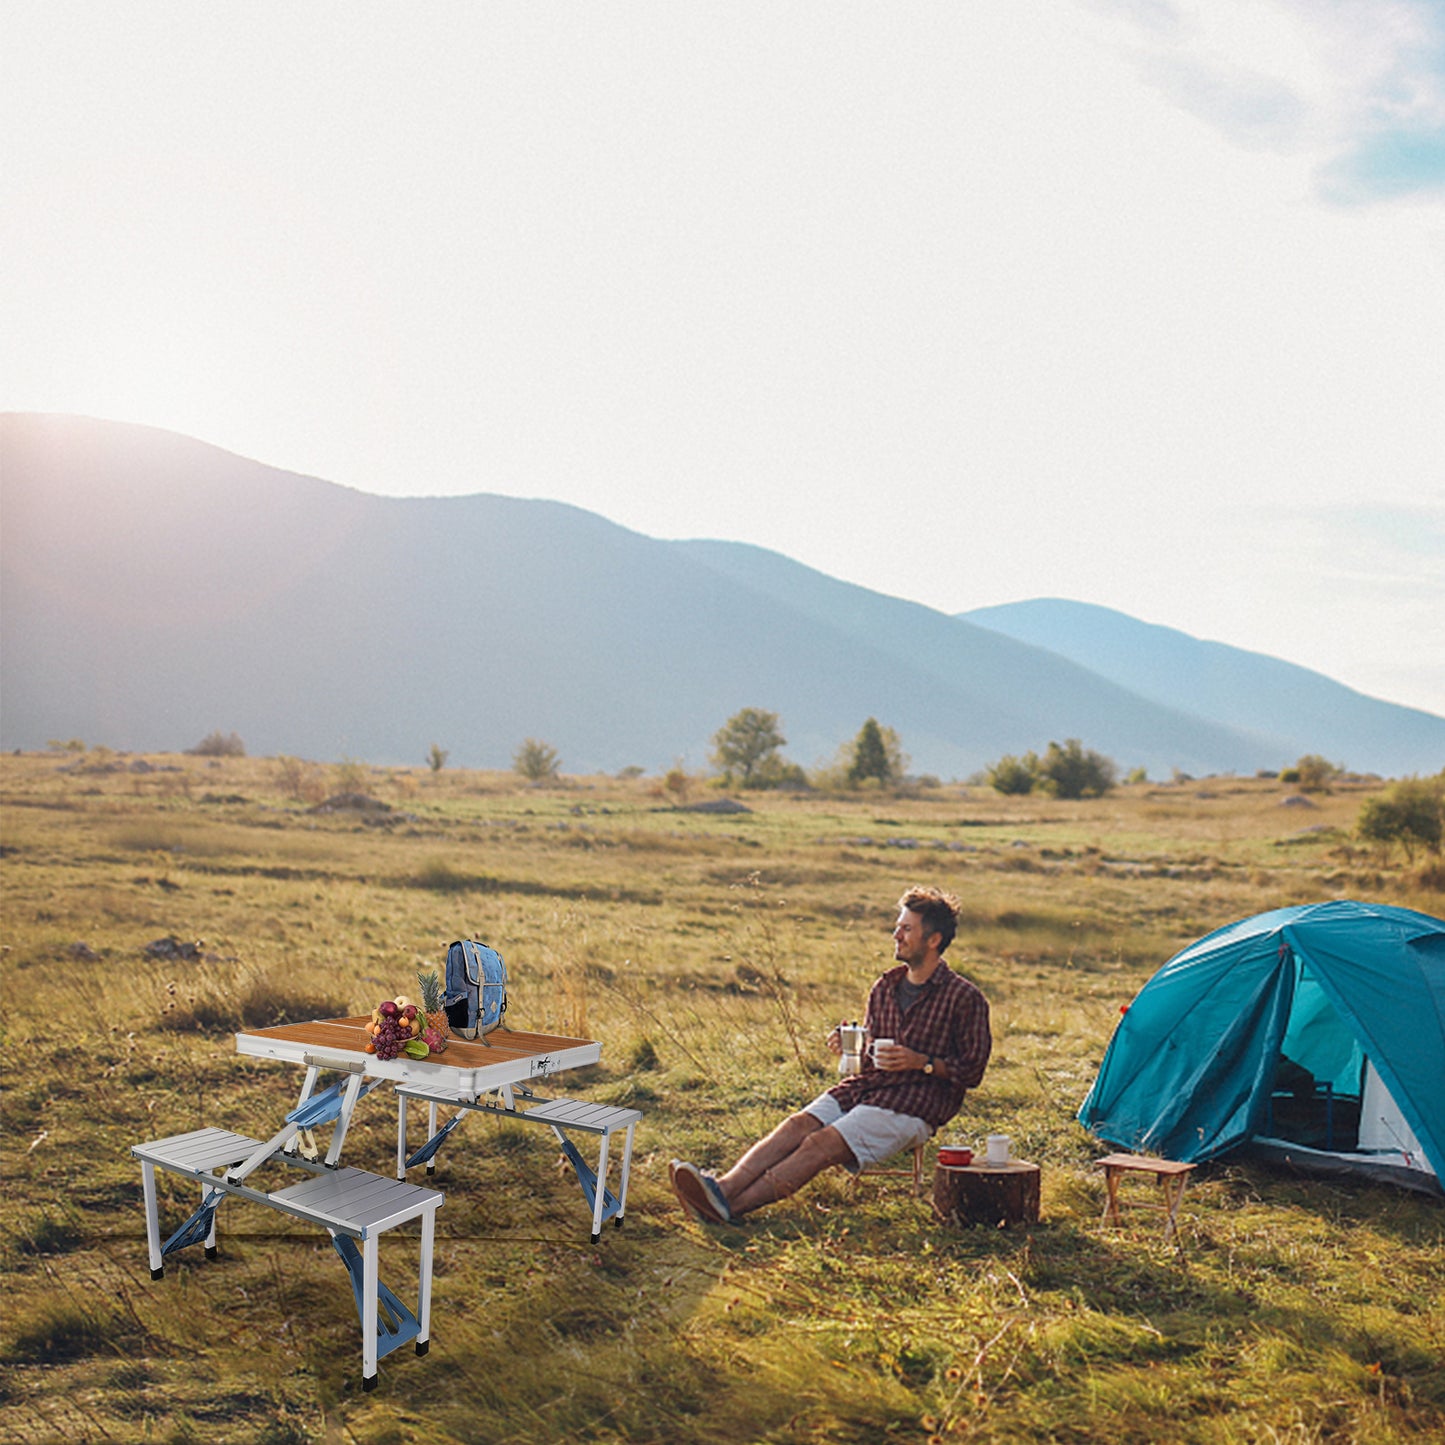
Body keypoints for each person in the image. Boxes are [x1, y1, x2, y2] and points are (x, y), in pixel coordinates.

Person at [670, 885, 991, 1224]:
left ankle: (728, 1211)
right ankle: (720, 1189)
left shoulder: (964, 998)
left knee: (818, 1144)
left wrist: (922, 1063)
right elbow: (872, 1051)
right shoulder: (885, 987)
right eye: (898, 926)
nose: (896, 934)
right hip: (866, 1087)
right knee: (797, 1125)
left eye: (907, 928)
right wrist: (849, 1044)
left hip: (914, 1103)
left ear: (933, 939)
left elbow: (973, 1072)